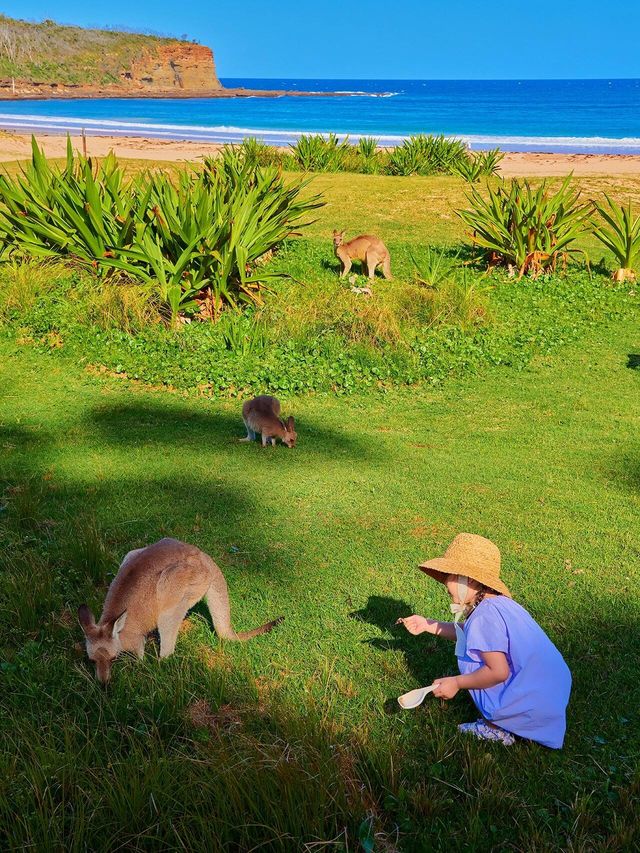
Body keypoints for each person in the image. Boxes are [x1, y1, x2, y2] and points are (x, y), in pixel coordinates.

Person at [398, 533, 571, 748]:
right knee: (478, 650)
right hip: (548, 690)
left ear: (468, 579)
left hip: (533, 703)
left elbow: (498, 672)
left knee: (477, 662)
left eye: (449, 576)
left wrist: (456, 682)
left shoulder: (484, 616)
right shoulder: (496, 603)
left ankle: (496, 728)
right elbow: (471, 633)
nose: (444, 582)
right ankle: (516, 717)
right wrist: (428, 624)